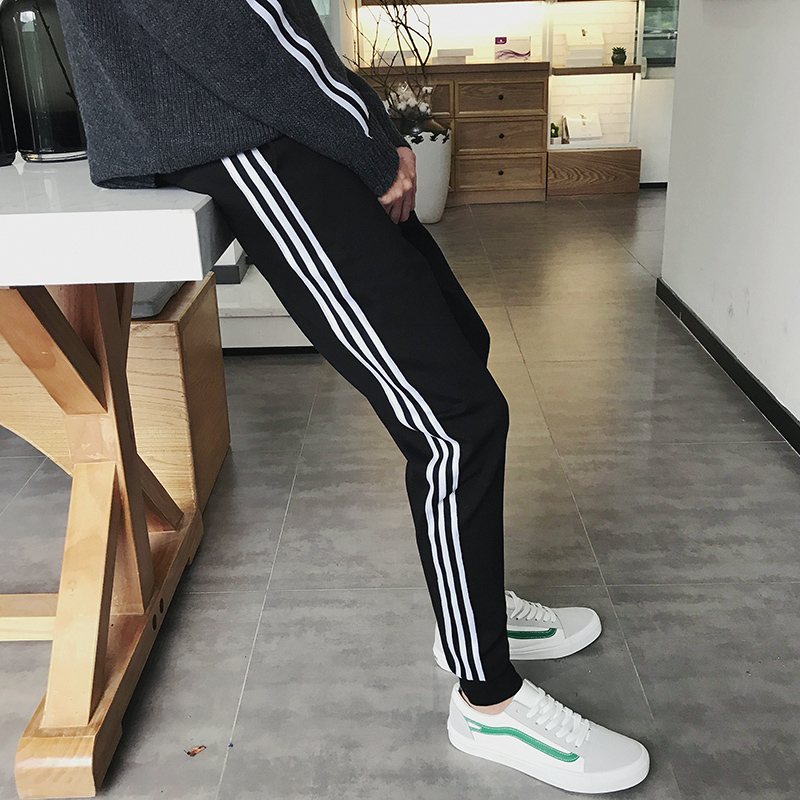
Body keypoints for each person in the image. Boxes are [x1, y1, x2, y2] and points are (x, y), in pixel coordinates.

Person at [54, 0, 649, 793]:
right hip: (241, 124)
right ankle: (488, 700)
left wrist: (362, 123)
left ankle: (469, 611)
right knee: (454, 420)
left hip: (259, 116)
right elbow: (229, 22)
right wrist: (367, 140)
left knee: (460, 352)